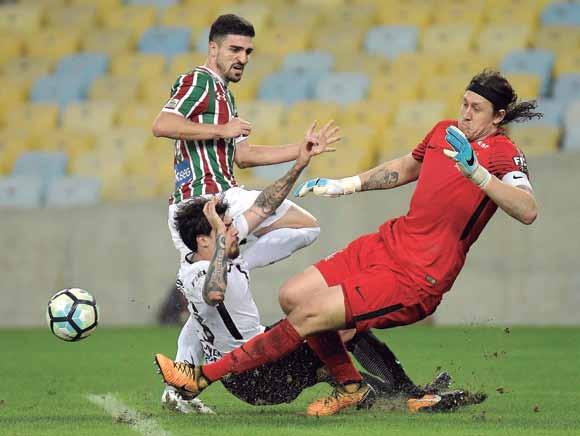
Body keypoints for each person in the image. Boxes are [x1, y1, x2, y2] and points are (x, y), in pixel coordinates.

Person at [155, 69, 538, 416]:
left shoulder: (504, 154)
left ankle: (201, 377)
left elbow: (527, 210)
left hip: (422, 273)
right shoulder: (444, 132)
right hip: (388, 243)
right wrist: (346, 184)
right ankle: (352, 385)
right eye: (464, 103)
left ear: (499, 117)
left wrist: (479, 175)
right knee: (293, 294)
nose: (466, 114)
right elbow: (406, 166)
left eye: (477, 109)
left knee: (312, 314)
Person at [168, 125, 472, 411]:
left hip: (256, 356)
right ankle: (409, 395)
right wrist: (225, 242)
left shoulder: (222, 250)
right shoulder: (195, 273)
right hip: (251, 377)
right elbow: (214, 293)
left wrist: (300, 162)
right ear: (203, 240)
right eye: (227, 227)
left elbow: (266, 205)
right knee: (335, 324)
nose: (235, 230)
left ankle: (386, 394)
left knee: (327, 317)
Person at [152, 14, 335, 411]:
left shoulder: (226, 96)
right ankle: (235, 264)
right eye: (235, 49)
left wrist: (299, 151)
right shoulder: (198, 81)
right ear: (213, 48)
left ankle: (178, 389)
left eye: (248, 51)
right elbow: (162, 123)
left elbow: (244, 155)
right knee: (307, 227)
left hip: (214, 198)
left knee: (204, 309)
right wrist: (221, 131)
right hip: (206, 201)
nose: (243, 58)